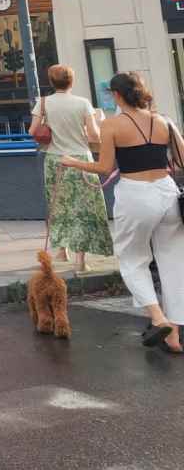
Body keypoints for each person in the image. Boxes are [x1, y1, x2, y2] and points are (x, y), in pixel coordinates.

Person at [60, 72, 184, 353]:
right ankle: (174, 336)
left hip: (135, 195)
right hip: (168, 193)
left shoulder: (112, 125)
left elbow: (104, 168)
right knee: (175, 263)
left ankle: (158, 317)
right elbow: (182, 159)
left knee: (132, 258)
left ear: (116, 95)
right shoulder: (164, 120)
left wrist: (72, 163)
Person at [28, 64, 113, 273]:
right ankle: (81, 261)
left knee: (58, 205)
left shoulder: (43, 103)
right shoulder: (83, 103)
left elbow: (32, 131)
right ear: (72, 82)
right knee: (83, 209)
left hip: (55, 161)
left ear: (51, 82)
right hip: (81, 159)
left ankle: (62, 250)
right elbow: (94, 136)